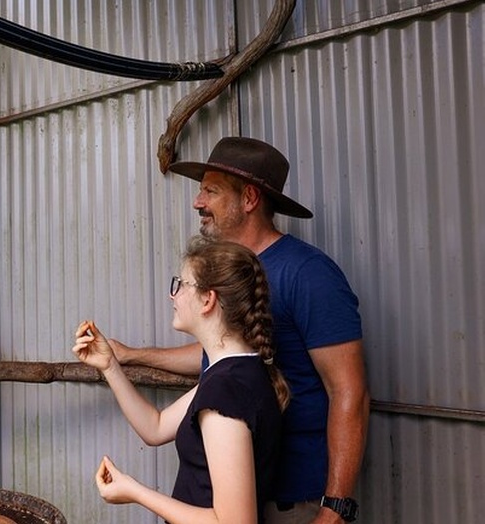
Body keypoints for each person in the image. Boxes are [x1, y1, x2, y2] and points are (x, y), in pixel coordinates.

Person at [110, 137, 369, 524]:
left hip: (293, 499)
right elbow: (219, 352)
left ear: (249, 198)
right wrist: (129, 355)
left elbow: (350, 391)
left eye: (210, 191)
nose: (198, 202)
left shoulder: (309, 274)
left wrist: (335, 508)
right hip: (239, 490)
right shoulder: (231, 273)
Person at [73, 239, 290, 524]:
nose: (172, 295)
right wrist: (110, 365)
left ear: (207, 300)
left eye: (180, 284)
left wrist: (135, 491)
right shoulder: (236, 373)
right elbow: (156, 427)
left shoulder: (225, 390)